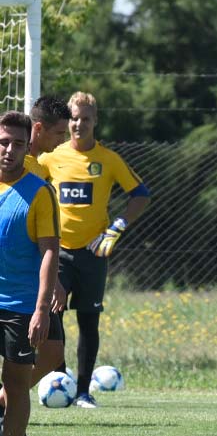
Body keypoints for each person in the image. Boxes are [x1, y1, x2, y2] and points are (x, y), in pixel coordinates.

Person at [39, 92, 151, 408]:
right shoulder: (52, 157)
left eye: (85, 119)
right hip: (57, 252)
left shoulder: (108, 160)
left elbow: (140, 194)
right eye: (73, 118)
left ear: (95, 121)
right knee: (51, 315)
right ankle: (60, 380)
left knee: (89, 321)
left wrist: (116, 228)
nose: (78, 124)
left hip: (93, 254)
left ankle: (84, 392)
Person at [0, 95, 71, 436]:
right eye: (59, 132)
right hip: (22, 286)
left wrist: (51, 279)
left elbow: (44, 241)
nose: (64, 139)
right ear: (39, 131)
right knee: (46, 354)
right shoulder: (26, 165)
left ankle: (9, 425)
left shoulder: (40, 173)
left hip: (32, 287)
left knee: (52, 351)